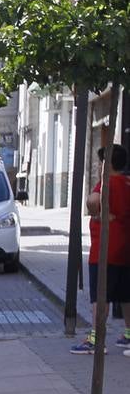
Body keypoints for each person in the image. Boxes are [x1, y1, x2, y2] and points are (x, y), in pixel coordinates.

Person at [71, 145, 130, 355]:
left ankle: (96, 338)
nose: (98, 165)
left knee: (100, 296)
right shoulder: (127, 182)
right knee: (125, 295)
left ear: (107, 164)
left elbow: (93, 200)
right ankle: (128, 335)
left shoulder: (105, 184)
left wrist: (95, 213)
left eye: (100, 161)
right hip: (125, 249)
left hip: (105, 249)